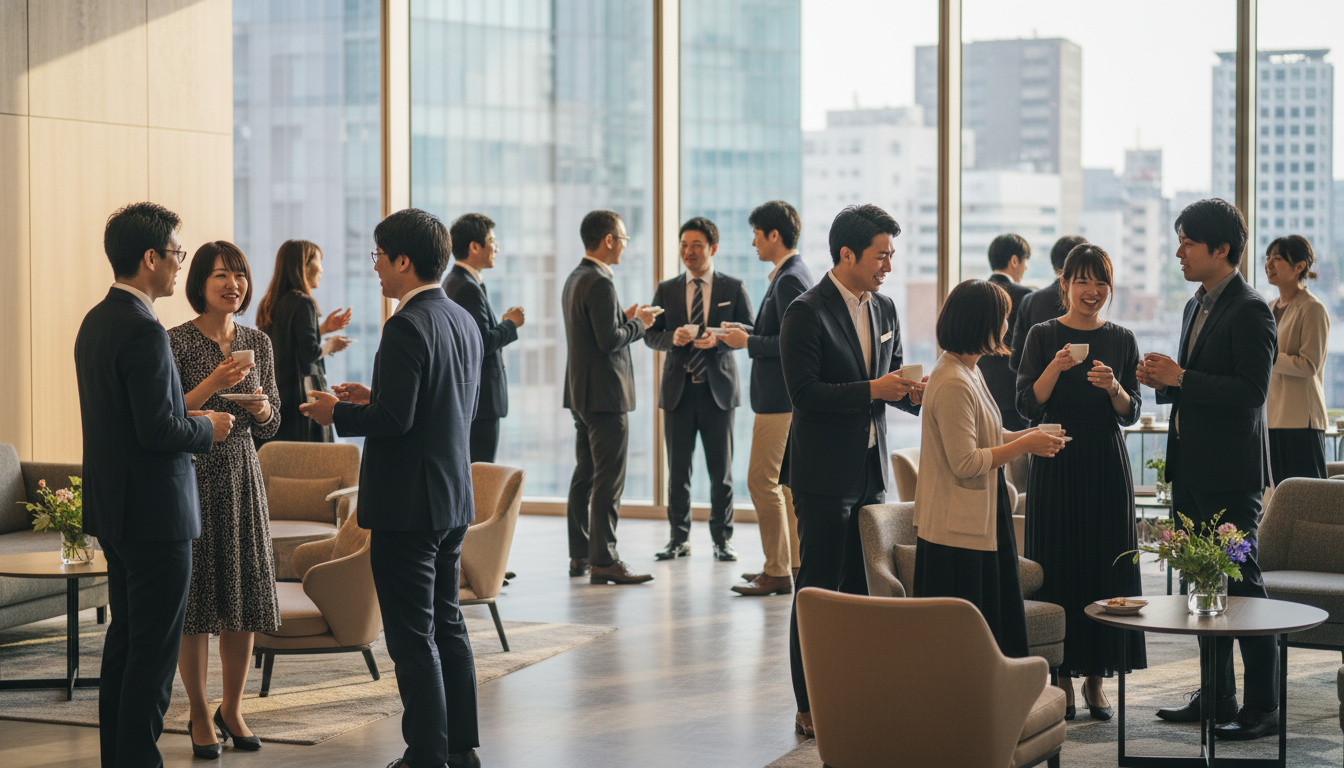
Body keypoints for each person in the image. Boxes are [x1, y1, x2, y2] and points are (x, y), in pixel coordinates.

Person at [301, 208, 483, 768]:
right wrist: (369, 400)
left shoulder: (405, 324)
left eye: (379, 255)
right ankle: (459, 748)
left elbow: (399, 420)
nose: (375, 266)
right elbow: (440, 407)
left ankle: (423, 754)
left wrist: (337, 412)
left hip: (409, 504)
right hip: (451, 497)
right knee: (447, 624)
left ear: (404, 261)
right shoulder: (460, 319)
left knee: (410, 636)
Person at [75, 202, 233, 768]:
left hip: (115, 513)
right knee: (153, 655)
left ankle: (118, 758)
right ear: (150, 258)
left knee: (124, 645)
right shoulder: (143, 330)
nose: (177, 266)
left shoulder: (97, 320)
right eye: (175, 255)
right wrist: (208, 428)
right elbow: (158, 428)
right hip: (156, 514)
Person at [778, 203, 923, 737]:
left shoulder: (884, 309)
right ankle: (809, 702)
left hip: (869, 469)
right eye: (881, 255)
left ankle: (854, 690)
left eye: (891, 254)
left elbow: (891, 386)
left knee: (860, 589)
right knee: (817, 590)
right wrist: (873, 390)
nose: (888, 264)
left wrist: (914, 393)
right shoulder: (805, 311)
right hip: (820, 475)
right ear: (847, 254)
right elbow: (805, 395)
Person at [1138, 198, 1279, 741]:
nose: (1179, 252)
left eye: (1188, 242)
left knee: (1244, 587)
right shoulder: (1194, 304)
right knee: (1202, 587)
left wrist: (1183, 378)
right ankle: (1216, 693)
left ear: (1221, 249)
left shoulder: (1251, 308)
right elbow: (1196, 384)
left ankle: (1264, 704)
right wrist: (1166, 382)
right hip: (1192, 468)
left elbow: (1251, 392)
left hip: (1230, 474)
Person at [1016, 244, 1146, 721]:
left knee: (1105, 565)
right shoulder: (1041, 334)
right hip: (1056, 455)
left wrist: (1113, 387)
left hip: (1106, 462)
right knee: (1059, 563)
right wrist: (1056, 365)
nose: (1093, 292)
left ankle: (1098, 678)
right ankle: (1062, 679)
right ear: (1064, 284)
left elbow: (1131, 412)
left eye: (1101, 282)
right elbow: (1028, 406)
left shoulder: (1122, 338)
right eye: (1083, 281)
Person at [168, 241, 281, 757]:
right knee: (196, 607)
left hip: (242, 475)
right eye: (220, 276)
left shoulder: (258, 340)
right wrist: (216, 381)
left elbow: (274, 420)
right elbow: (168, 412)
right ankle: (197, 711)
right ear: (200, 283)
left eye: (238, 275)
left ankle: (232, 708)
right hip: (192, 475)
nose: (232, 284)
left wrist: (259, 409)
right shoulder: (174, 341)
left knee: (242, 599)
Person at [914, 280, 1062, 664]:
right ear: (982, 322)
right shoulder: (951, 381)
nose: (1007, 327)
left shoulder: (968, 370)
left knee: (992, 625)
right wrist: (1025, 445)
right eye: (1003, 319)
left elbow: (988, 434)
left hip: (978, 515)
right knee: (965, 639)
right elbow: (965, 462)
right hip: (957, 527)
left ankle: (997, 705)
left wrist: (1029, 433)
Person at [644, 217, 755, 562]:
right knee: (678, 472)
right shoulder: (667, 288)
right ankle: (678, 538)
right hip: (678, 390)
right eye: (683, 245)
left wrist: (717, 341)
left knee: (720, 472)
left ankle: (722, 540)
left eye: (696, 246)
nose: (688, 252)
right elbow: (650, 333)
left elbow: (751, 329)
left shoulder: (732, 287)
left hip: (717, 391)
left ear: (713, 249)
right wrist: (670, 338)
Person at [721, 200, 813, 596]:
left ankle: (777, 570)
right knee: (785, 486)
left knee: (761, 480)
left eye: (756, 235)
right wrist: (746, 330)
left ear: (774, 235)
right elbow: (779, 330)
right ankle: (790, 564)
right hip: (782, 400)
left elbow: (796, 343)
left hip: (779, 401)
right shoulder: (790, 273)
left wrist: (749, 341)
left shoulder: (790, 277)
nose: (753, 243)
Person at [562, 210, 657, 584]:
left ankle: (580, 554)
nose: (624, 245)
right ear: (608, 240)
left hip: (580, 394)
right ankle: (605, 560)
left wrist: (623, 316)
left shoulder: (575, 277)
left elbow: (595, 329)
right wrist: (640, 324)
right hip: (605, 397)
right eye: (623, 238)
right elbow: (609, 341)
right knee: (608, 480)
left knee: (584, 475)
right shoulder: (600, 282)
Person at [443, 213, 525, 463]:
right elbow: (481, 344)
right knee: (480, 474)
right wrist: (511, 324)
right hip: (481, 402)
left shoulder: (455, 281)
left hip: (471, 400)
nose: (496, 248)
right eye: (492, 241)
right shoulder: (466, 286)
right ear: (475, 246)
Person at [254, 239, 351, 444]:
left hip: (277, 397)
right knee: (309, 465)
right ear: (304, 265)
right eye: (319, 261)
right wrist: (331, 344)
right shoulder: (304, 302)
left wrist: (323, 328)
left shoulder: (269, 303)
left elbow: (286, 341)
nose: (322, 270)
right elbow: (309, 353)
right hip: (302, 399)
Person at [1263, 235, 1330, 482]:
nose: (1268, 264)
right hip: (1272, 415)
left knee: (1308, 498)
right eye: (1267, 258)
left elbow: (1309, 365)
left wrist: (1267, 358)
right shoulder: (1268, 308)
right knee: (1279, 495)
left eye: (1277, 258)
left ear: (1299, 266)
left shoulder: (1313, 308)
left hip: (1302, 417)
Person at [979, 233, 1033, 431]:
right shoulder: (1027, 297)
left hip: (980, 390)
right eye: (1025, 261)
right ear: (1014, 260)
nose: (1026, 267)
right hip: (1013, 395)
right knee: (1016, 457)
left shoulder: (976, 293)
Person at [1011, 235, 1087, 375]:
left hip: (1037, 390)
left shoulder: (1029, 300)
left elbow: (1017, 361)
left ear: (1054, 266)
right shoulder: (1090, 299)